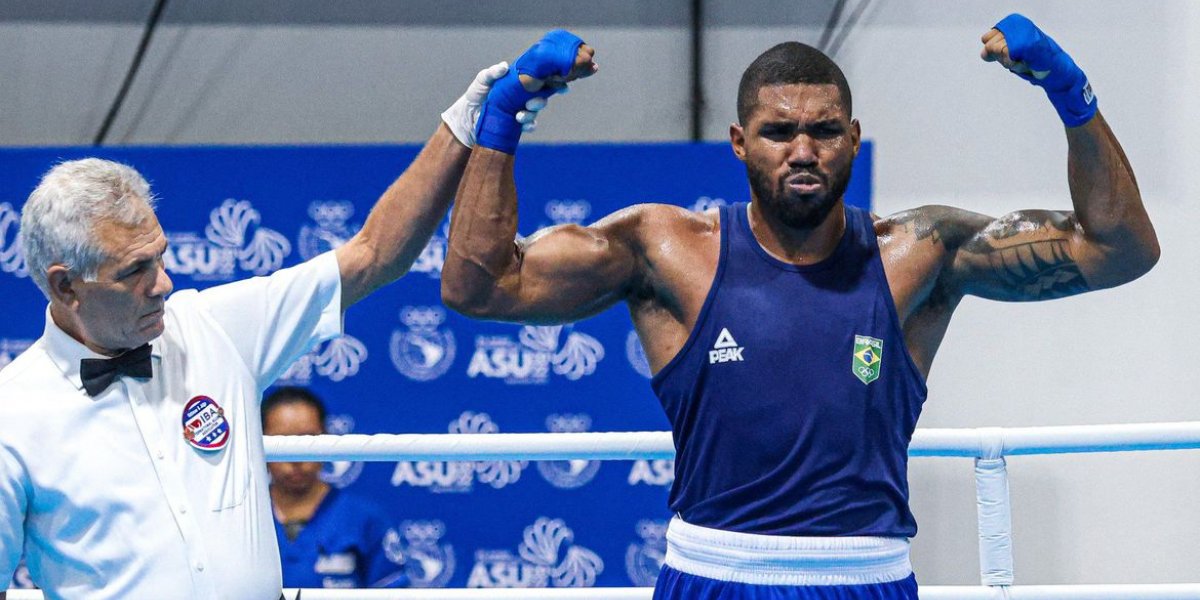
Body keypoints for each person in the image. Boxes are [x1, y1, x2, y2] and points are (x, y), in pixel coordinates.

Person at [442, 15, 1158, 599]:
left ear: (853, 138)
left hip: (866, 577)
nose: (804, 150)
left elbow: (1120, 250)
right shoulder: (665, 250)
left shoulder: (920, 252)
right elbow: (479, 286)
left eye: (824, 130)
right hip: (713, 574)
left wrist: (1070, 92)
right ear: (739, 143)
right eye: (780, 132)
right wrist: (504, 115)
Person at [0, 41, 549, 599]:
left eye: (160, 257)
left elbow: (373, 254)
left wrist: (465, 123)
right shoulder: (11, 416)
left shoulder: (213, 328)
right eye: (134, 271)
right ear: (66, 285)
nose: (163, 283)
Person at [262, 387, 408, 589]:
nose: (295, 457)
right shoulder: (242, 518)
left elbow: (392, 592)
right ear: (258, 441)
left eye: (307, 440)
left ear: (327, 438)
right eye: (281, 441)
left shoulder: (364, 519)